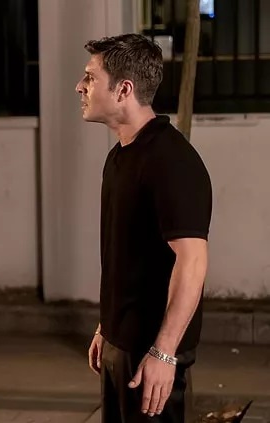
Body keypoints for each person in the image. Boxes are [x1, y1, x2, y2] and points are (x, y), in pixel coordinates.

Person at [75, 33, 212, 422]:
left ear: (123, 90)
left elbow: (193, 261)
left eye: (90, 78)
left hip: (152, 354)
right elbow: (128, 255)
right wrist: (107, 327)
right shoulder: (120, 156)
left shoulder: (171, 161)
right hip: (121, 344)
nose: (80, 87)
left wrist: (164, 352)